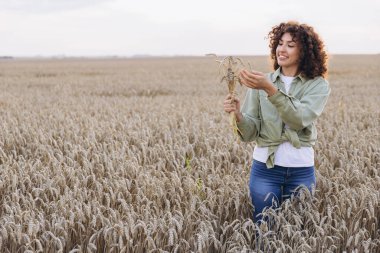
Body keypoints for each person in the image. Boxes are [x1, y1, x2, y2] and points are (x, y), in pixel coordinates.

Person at [223, 21, 330, 223]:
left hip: (300, 169)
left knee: (298, 236)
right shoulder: (261, 81)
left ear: (305, 51)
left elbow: (299, 119)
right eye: (280, 43)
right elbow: (249, 133)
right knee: (264, 231)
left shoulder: (318, 85)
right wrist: (238, 115)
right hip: (265, 169)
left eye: (290, 45)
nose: (282, 49)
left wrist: (270, 89)